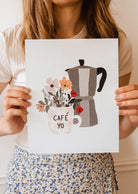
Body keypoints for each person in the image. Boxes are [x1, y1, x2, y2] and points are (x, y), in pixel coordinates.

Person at [0, 0, 138, 193]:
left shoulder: (115, 42)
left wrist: (132, 120)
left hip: (93, 176)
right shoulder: (11, 41)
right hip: (31, 178)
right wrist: (6, 125)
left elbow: (114, 129)